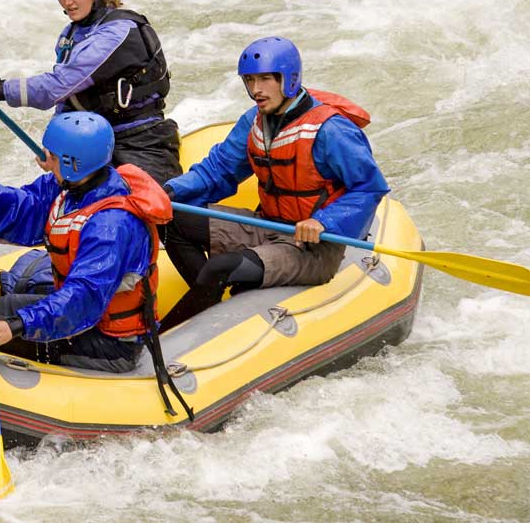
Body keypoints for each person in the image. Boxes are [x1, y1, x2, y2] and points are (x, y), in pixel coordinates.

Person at [160, 36, 390, 329]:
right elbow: (218, 170)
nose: (256, 89)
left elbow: (370, 187)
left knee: (220, 267)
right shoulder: (254, 121)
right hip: (266, 225)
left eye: (266, 79)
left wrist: (324, 222)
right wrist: (169, 191)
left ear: (289, 79)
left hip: (312, 247)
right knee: (170, 219)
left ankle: (167, 335)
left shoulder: (331, 130)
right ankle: (212, 305)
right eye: (250, 80)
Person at [0, 111, 171, 374]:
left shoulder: (110, 226)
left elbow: (84, 297)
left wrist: (18, 326)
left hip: (107, 341)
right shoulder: (70, 187)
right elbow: (23, 211)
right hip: (77, 312)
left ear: (72, 163)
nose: (44, 160)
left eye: (51, 156)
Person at [0, 0, 181, 186]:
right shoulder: (71, 34)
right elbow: (67, 99)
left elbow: (56, 87)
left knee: (153, 203)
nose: (68, 1)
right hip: (95, 143)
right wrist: (56, 150)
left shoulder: (116, 33)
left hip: (141, 141)